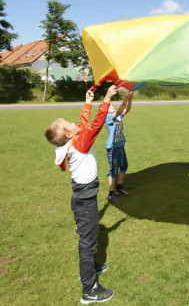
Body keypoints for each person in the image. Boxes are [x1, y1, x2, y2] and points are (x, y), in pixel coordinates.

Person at [45, 85, 118, 304]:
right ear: (69, 134)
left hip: (83, 198)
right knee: (87, 243)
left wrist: (88, 102)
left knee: (92, 234)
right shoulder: (80, 144)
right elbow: (94, 127)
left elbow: (84, 125)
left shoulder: (72, 142)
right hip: (85, 201)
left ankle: (93, 268)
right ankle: (89, 290)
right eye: (70, 124)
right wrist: (105, 99)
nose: (75, 123)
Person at [105, 90, 133, 203]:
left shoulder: (118, 116)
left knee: (124, 166)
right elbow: (121, 109)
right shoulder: (108, 117)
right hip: (113, 147)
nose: (111, 106)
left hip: (120, 145)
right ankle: (111, 193)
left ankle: (119, 188)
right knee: (114, 169)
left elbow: (127, 110)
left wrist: (130, 100)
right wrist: (126, 98)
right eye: (109, 106)